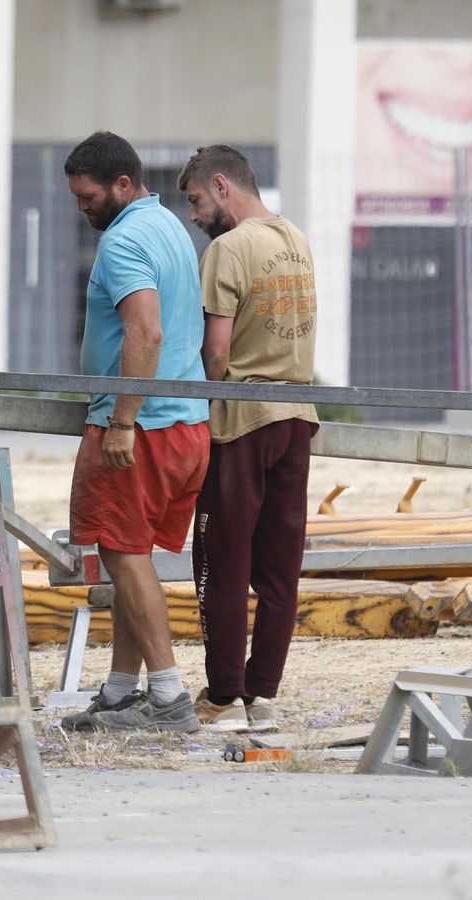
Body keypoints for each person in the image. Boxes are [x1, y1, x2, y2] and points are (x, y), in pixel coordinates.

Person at [58, 132, 210, 733]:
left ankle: (169, 697)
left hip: (140, 427)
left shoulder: (123, 242)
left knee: (122, 553)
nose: (81, 207)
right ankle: (123, 692)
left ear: (122, 184)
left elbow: (144, 334)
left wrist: (121, 420)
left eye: (88, 196)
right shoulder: (170, 226)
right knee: (131, 558)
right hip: (183, 423)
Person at [178, 144, 318, 734]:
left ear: (220, 186)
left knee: (222, 561)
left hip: (241, 418)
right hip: (297, 415)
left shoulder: (228, 248)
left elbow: (217, 349)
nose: (193, 215)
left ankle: (224, 696)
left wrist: (199, 401)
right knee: (280, 568)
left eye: (194, 200)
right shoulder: (296, 240)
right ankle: (264, 696)